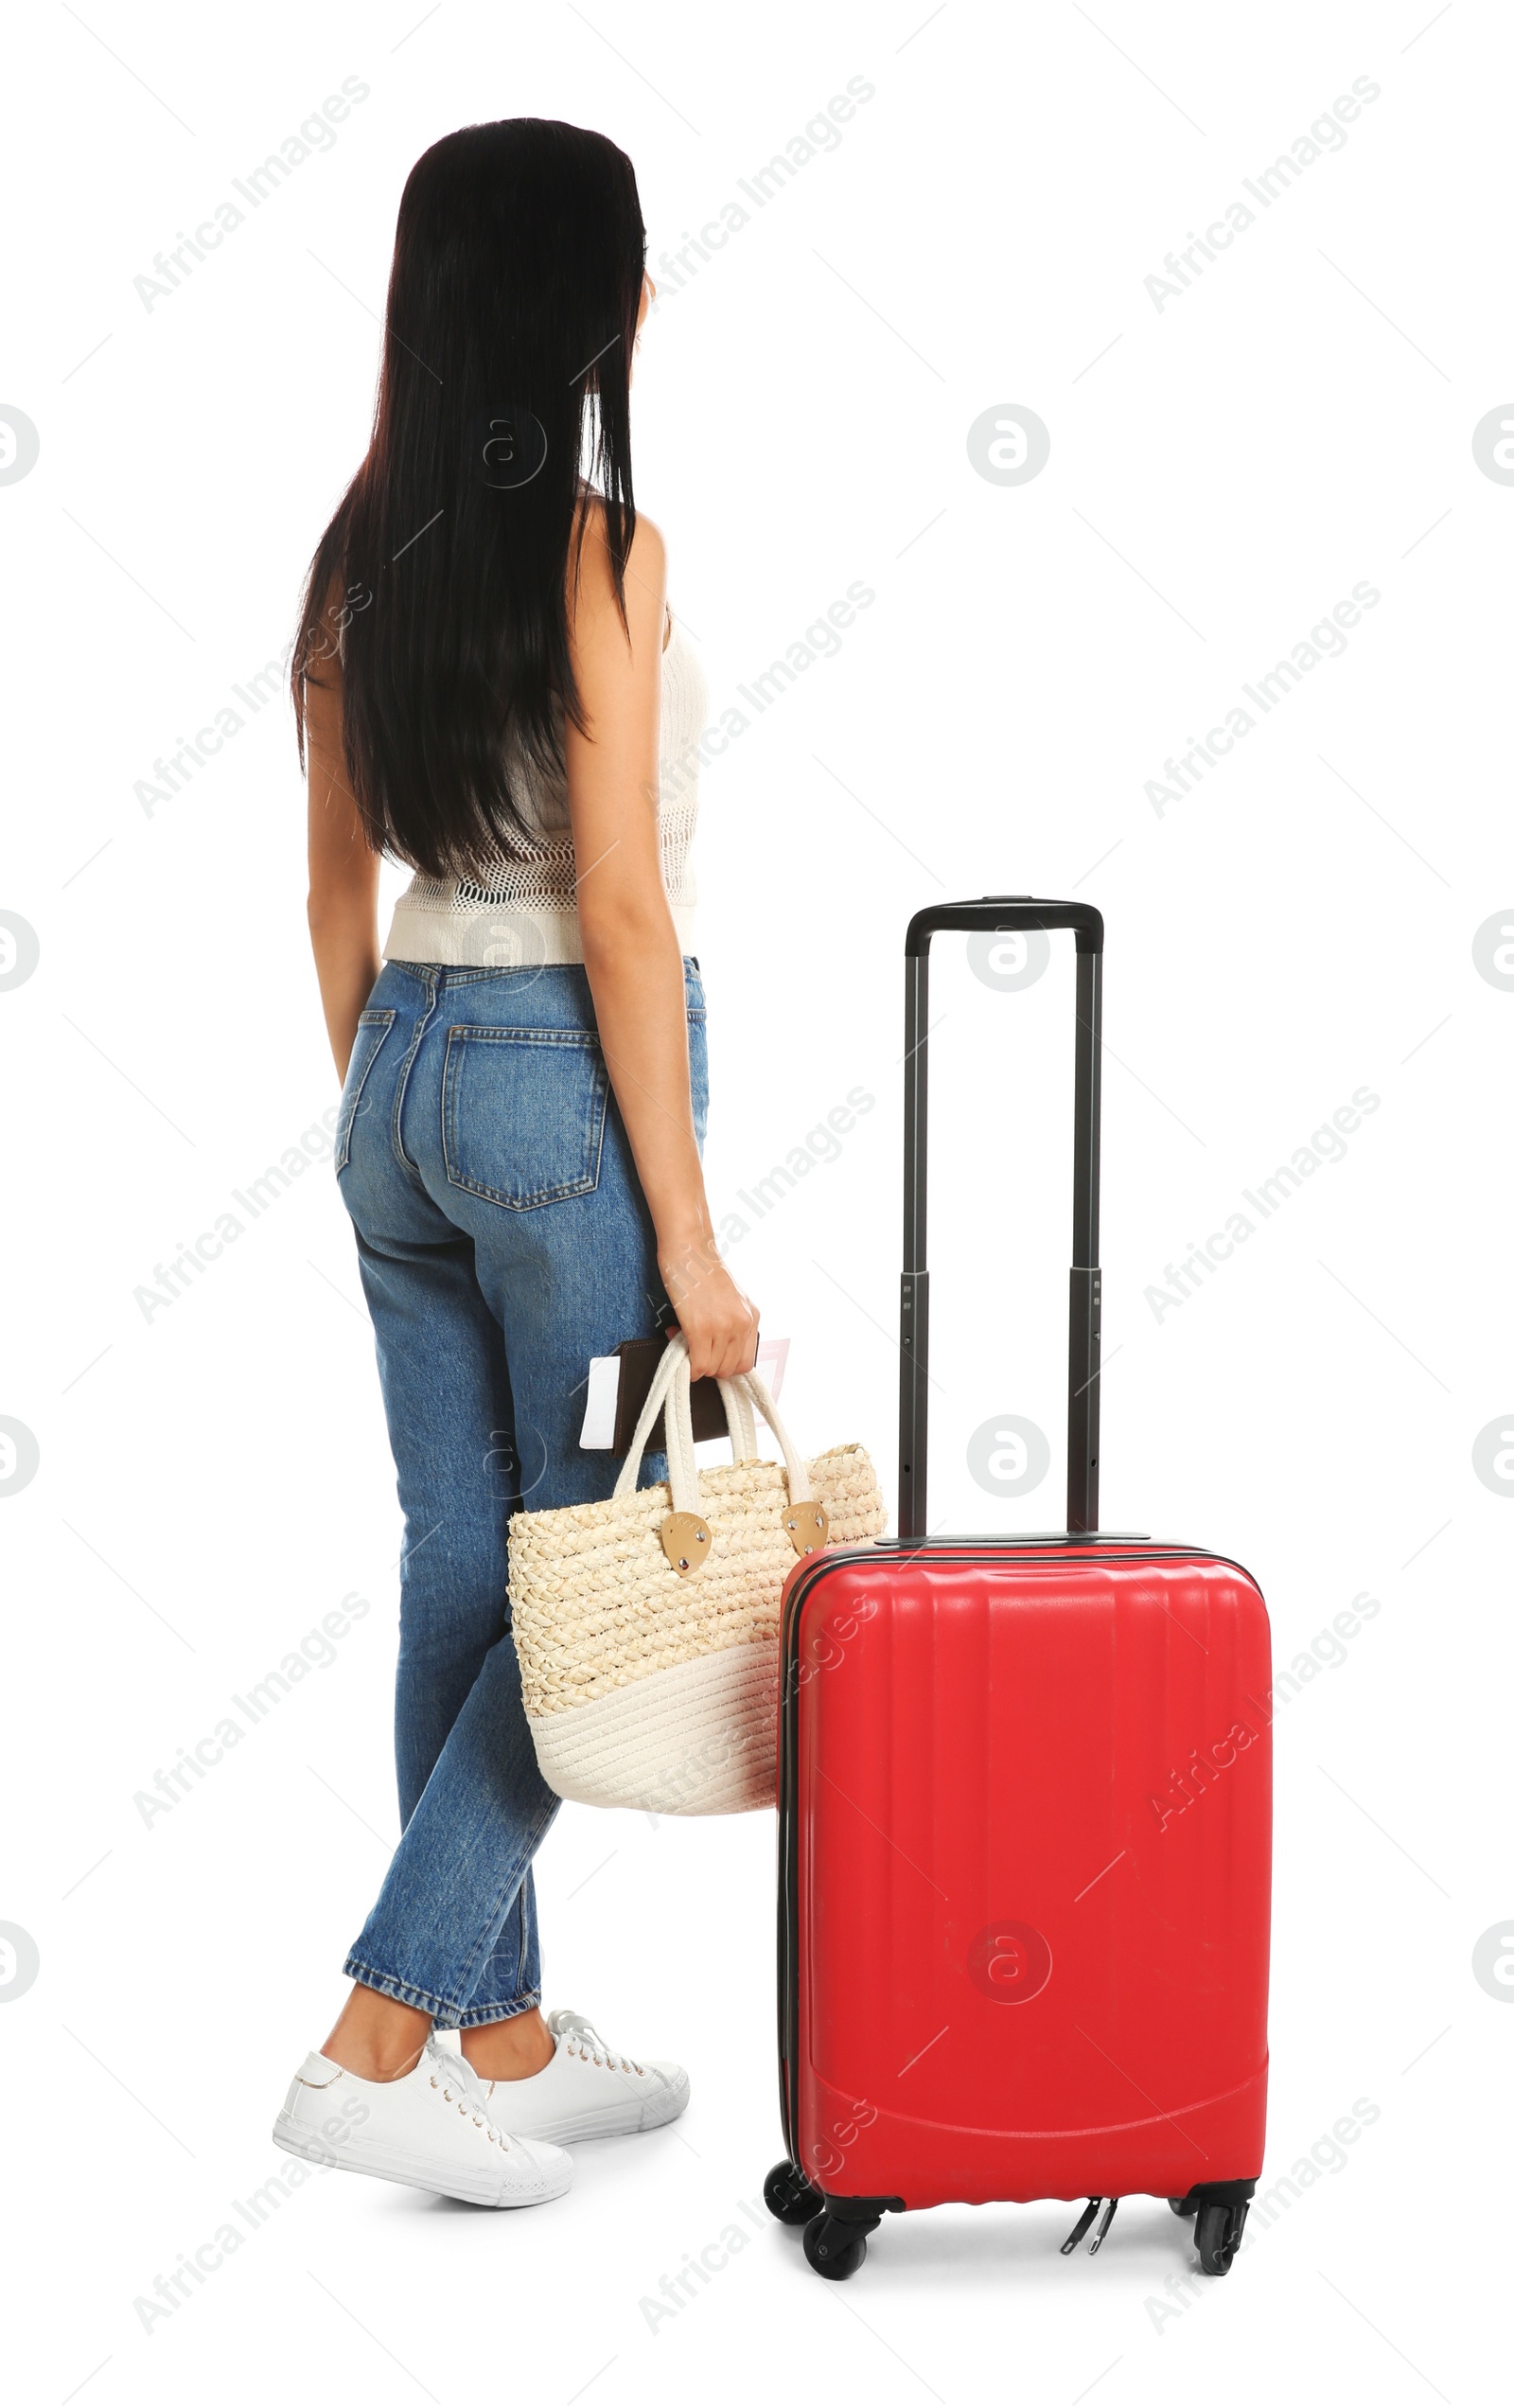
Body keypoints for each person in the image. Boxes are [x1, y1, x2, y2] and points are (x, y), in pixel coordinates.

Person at [273, 117, 757, 2209]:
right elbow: (625, 911)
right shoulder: (599, 550)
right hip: (562, 1082)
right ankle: (379, 2029)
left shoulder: (352, 544)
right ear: (591, 309)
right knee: (581, 1596)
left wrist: (401, 1108)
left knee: (463, 1571)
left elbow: (326, 892)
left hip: (394, 1074)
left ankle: (499, 2033)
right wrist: (691, 1241)